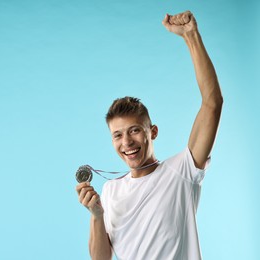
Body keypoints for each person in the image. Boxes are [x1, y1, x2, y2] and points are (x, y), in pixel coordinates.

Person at [76, 11, 223, 260]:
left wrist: (191, 36)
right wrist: (97, 215)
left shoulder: (182, 171)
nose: (127, 142)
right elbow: (101, 258)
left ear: (152, 132)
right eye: (117, 135)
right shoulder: (111, 190)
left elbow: (212, 103)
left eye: (134, 130)